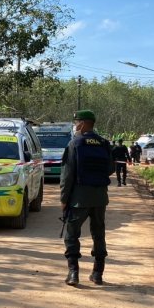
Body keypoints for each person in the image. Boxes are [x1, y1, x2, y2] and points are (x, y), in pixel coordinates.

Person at [60, 110, 114, 286]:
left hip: (78, 198)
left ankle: (73, 273)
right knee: (98, 234)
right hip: (99, 198)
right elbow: (111, 168)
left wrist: (63, 198)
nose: (76, 126)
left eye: (77, 122)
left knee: (71, 234)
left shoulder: (75, 143)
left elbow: (67, 175)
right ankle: (98, 273)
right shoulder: (104, 144)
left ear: (83, 124)